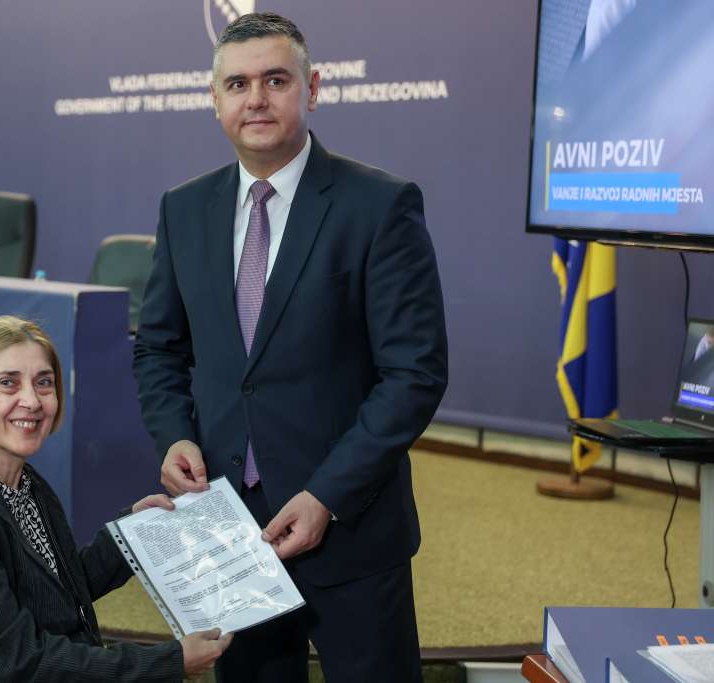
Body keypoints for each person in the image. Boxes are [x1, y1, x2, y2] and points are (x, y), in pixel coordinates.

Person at [133, 12, 447, 683]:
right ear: (214, 99)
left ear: (313, 88)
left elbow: (414, 374)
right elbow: (158, 348)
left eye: (275, 80)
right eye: (238, 84)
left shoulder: (380, 205)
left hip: (350, 530)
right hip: (229, 533)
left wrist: (326, 494)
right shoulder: (183, 209)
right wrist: (174, 434)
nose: (256, 99)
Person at [0, 315, 232, 682]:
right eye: (8, 383)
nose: (32, 400)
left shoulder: (24, 484)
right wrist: (168, 662)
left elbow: (57, 592)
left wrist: (133, 533)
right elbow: (16, 662)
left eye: (43, 382)